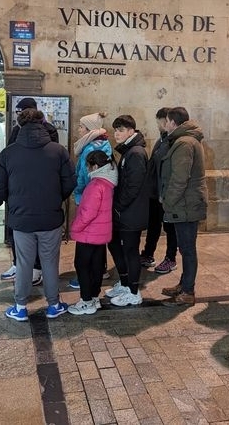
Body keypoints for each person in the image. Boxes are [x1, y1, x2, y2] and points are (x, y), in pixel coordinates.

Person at [0, 108, 76, 321]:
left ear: (19, 125)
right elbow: (69, 182)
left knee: (23, 263)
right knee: (49, 262)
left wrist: (7, 202)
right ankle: (53, 304)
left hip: (21, 220)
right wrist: (55, 199)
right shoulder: (58, 151)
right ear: (43, 124)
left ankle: (20, 307)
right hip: (50, 218)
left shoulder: (8, 153)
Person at [1, 98, 56, 281]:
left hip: (23, 196)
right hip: (41, 198)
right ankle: (49, 296)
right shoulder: (23, 131)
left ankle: (28, 280)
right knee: (41, 248)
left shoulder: (44, 132)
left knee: (25, 239)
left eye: (20, 112)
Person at [159, 107, 207, 307]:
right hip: (186, 203)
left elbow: (180, 178)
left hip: (185, 204)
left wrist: (168, 201)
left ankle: (188, 291)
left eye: (166, 122)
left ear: (172, 122)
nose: (164, 125)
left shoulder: (184, 143)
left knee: (187, 249)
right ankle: (184, 284)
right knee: (185, 248)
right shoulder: (185, 141)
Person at [106, 115, 150, 307]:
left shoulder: (136, 153)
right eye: (115, 130)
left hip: (131, 213)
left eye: (121, 130)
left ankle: (133, 291)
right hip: (125, 212)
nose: (117, 134)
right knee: (116, 246)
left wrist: (118, 206)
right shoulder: (129, 151)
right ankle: (125, 283)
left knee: (130, 250)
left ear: (132, 131)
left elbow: (133, 186)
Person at [68, 151, 118, 315]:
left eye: (88, 166)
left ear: (95, 166)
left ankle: (86, 301)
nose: (87, 170)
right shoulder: (108, 183)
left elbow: (88, 213)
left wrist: (75, 227)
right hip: (100, 234)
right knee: (97, 266)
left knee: (82, 266)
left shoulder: (95, 185)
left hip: (88, 234)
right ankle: (94, 298)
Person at [68, 111, 113, 289]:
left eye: (81, 127)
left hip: (89, 197)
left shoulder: (91, 148)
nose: (78, 129)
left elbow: (85, 176)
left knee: (88, 239)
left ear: (89, 129)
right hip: (99, 197)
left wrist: (78, 191)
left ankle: (87, 278)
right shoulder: (103, 144)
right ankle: (100, 270)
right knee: (98, 238)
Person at [139, 107, 179, 275]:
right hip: (155, 192)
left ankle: (171, 258)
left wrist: (166, 193)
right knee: (153, 225)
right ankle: (148, 254)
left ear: (166, 122)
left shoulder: (173, 142)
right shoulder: (162, 140)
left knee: (170, 227)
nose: (158, 125)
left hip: (165, 194)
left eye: (159, 122)